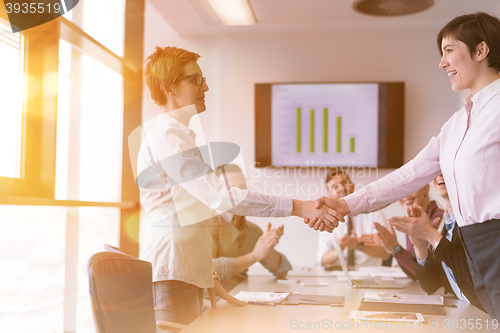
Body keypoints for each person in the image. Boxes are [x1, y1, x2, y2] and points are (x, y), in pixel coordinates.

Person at [308, 12, 500, 319]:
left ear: (480, 50)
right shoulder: (456, 124)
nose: (441, 63)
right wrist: (344, 205)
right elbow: (409, 175)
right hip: (472, 246)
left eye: (449, 50)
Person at [138, 46, 341, 325]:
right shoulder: (168, 139)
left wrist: (206, 274)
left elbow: (190, 216)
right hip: (174, 275)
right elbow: (220, 197)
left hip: (185, 274)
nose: (205, 86)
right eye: (195, 79)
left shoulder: (179, 138)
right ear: (169, 88)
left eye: (203, 78)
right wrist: (299, 206)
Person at [389, 174, 485, 311]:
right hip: (463, 309)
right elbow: (430, 285)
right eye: (438, 170)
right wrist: (420, 247)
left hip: (485, 313)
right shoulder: (442, 223)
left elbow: (477, 276)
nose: (440, 174)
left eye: (445, 168)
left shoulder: (475, 219)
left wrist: (431, 236)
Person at [210, 165, 292, 291]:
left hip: (241, 298)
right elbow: (208, 269)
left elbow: (282, 271)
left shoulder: (252, 230)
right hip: (213, 302)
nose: (239, 193)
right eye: (231, 188)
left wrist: (268, 249)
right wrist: (254, 256)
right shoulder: (208, 224)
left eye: (243, 187)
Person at [360, 184, 443, 280]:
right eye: (401, 191)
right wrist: (393, 249)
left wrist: (395, 248)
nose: (406, 195)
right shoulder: (412, 221)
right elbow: (414, 274)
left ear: (426, 189)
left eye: (410, 187)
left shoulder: (437, 219)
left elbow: (426, 275)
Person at [317, 169, 389, 268]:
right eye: (335, 187)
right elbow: (322, 259)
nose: (341, 188)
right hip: (339, 276)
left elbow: (386, 253)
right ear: (329, 195)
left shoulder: (374, 213)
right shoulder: (328, 219)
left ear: (352, 185)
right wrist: (340, 248)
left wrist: (359, 246)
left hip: (370, 275)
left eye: (344, 183)